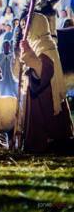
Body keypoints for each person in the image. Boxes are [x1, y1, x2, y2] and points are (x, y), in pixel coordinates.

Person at [18, 14, 74, 153]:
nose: (25, 30)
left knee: (46, 128)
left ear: (37, 26)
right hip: (38, 92)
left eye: (27, 26)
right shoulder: (38, 44)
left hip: (45, 95)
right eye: (23, 27)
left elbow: (44, 71)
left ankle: (48, 143)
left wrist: (29, 56)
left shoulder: (45, 46)